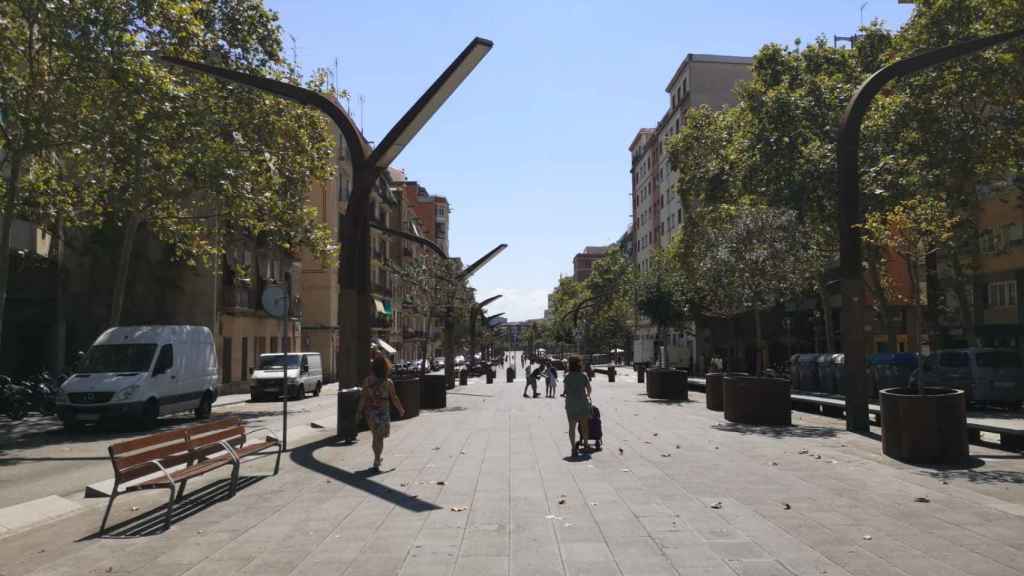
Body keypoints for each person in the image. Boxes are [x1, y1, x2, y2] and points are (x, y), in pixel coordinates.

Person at [357, 356, 405, 470]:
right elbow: (394, 398)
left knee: (375, 436)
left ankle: (377, 457)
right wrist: (400, 409)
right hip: (383, 413)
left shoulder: (367, 381)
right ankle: (377, 458)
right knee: (379, 438)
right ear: (385, 368)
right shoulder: (388, 383)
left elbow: (363, 398)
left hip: (370, 413)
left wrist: (358, 412)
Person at [563, 355, 592, 458]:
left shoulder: (567, 376)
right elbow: (589, 389)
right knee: (584, 426)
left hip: (571, 403)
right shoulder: (583, 375)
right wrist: (587, 395)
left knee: (572, 427)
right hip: (582, 403)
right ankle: (585, 445)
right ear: (579, 364)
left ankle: (573, 448)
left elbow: (565, 390)